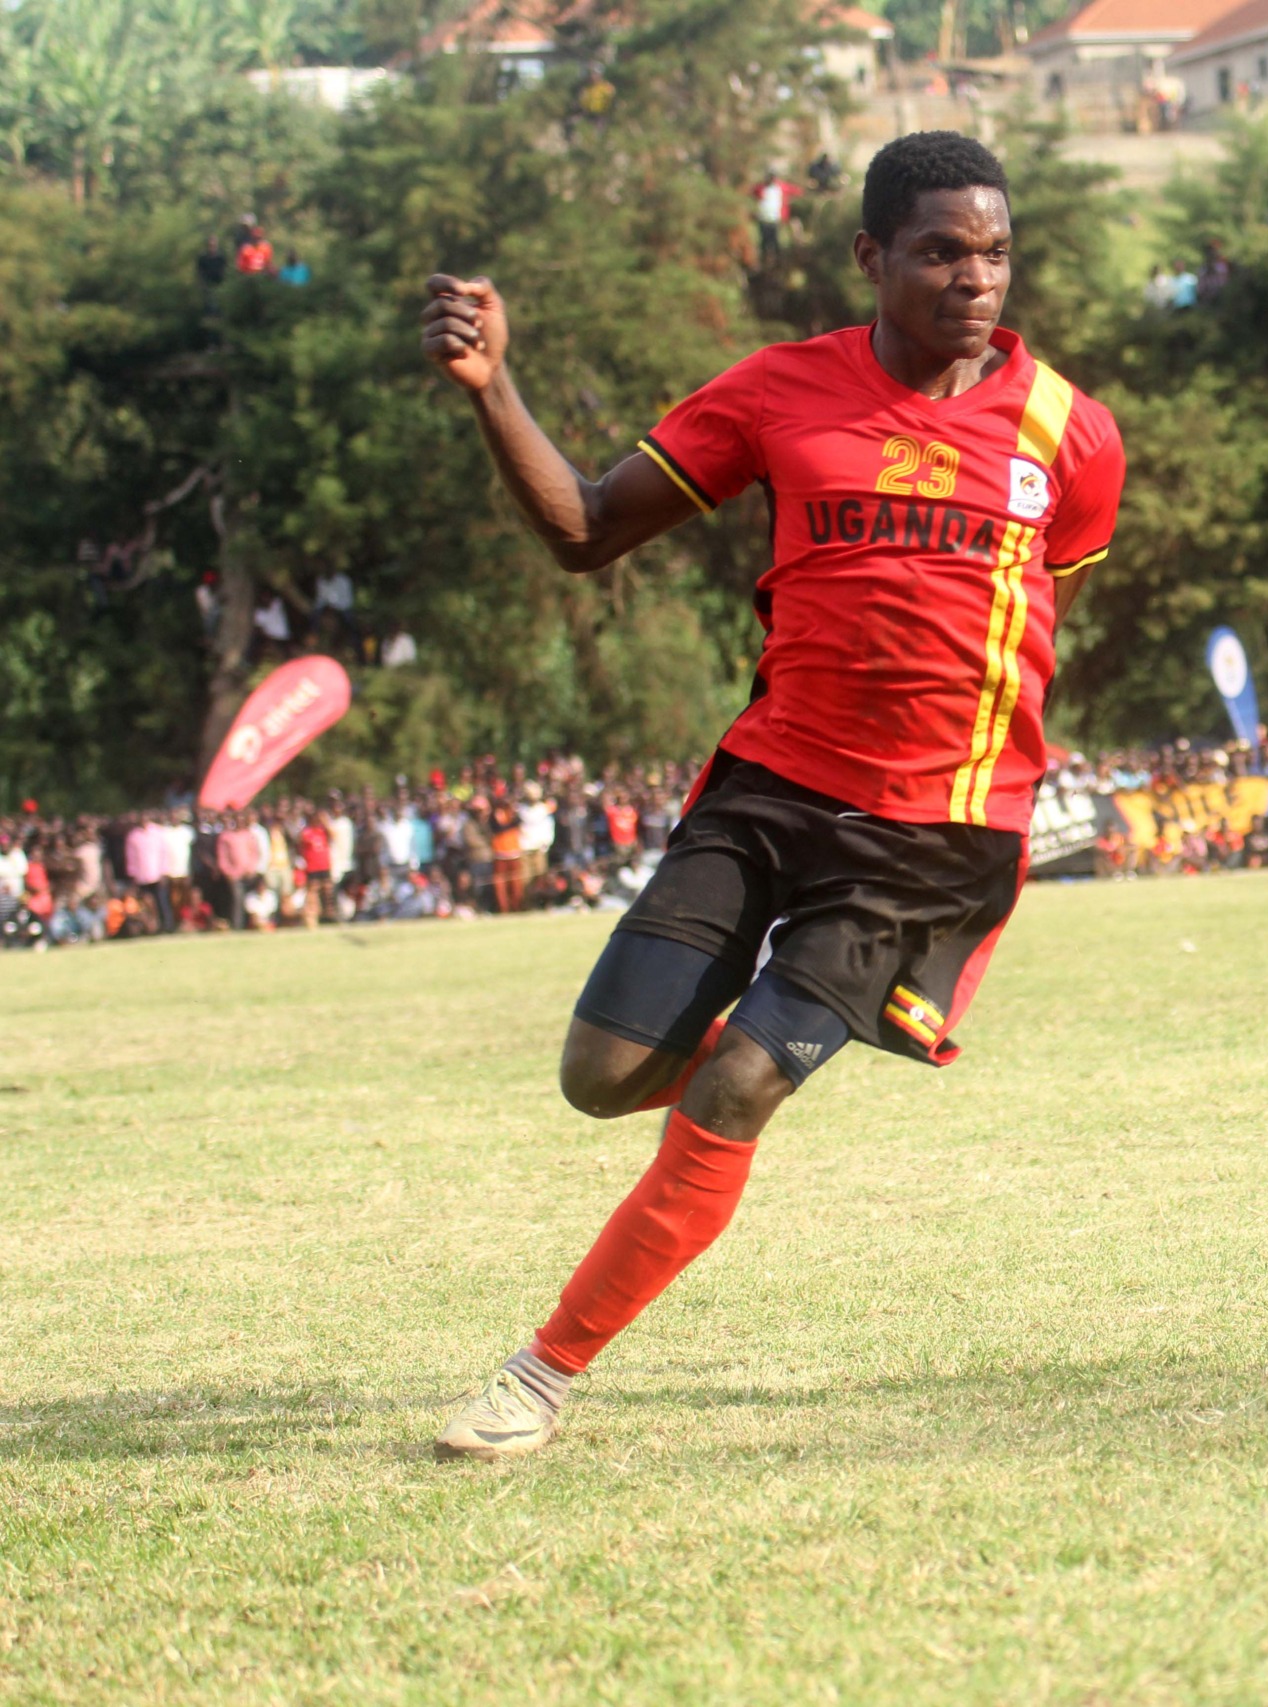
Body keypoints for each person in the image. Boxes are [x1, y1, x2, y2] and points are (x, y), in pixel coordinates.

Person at [419, 131, 1125, 1460]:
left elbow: (1039, 611)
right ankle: (764, 1059)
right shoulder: (777, 392)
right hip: (767, 790)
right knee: (601, 1072)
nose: (975, 277)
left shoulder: (1072, 435)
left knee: (735, 1083)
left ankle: (538, 1375)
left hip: (931, 832)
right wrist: (492, 386)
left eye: (996, 252)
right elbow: (582, 529)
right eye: (940, 251)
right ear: (870, 256)